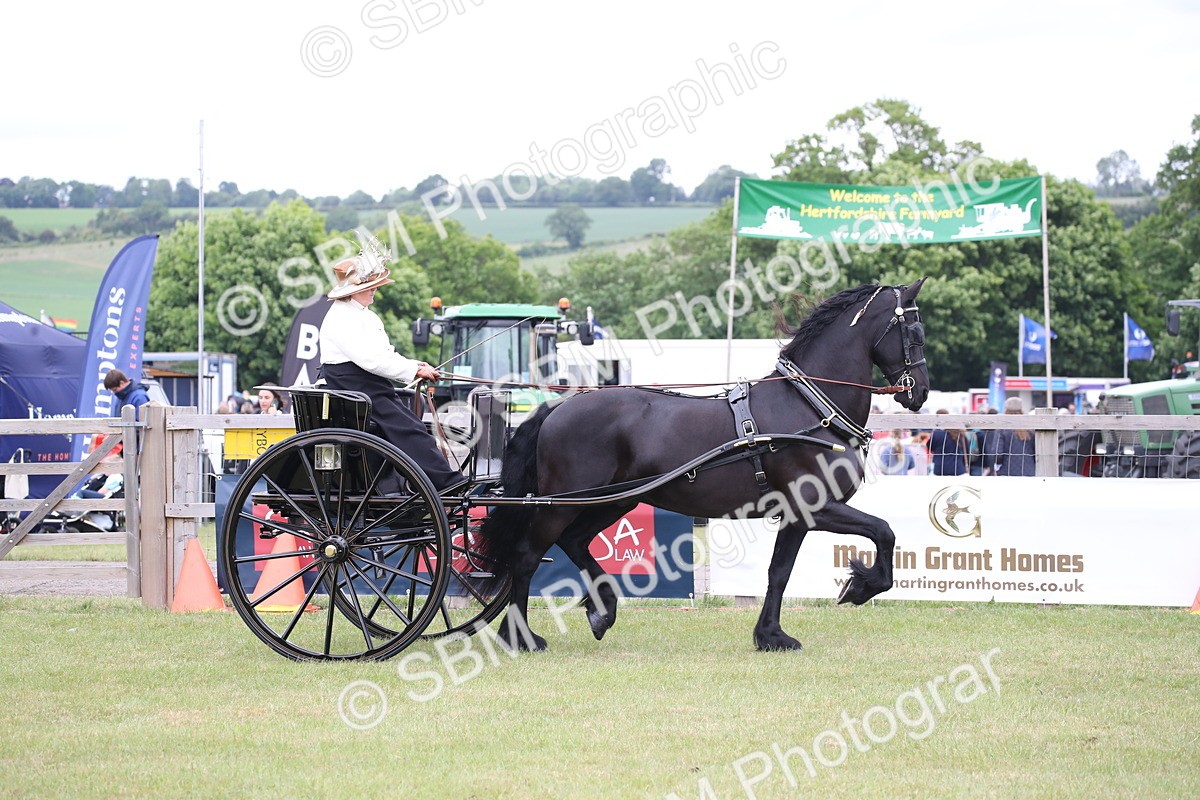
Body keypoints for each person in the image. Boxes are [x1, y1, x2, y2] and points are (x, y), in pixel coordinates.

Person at [318, 248, 464, 493]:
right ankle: (446, 483)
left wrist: (416, 365)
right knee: (410, 428)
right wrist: (412, 370)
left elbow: (385, 354)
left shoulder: (366, 316)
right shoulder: (341, 318)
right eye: (371, 287)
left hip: (368, 384)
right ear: (355, 290)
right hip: (352, 387)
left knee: (413, 424)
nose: (375, 290)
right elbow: (370, 360)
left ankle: (417, 483)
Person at [994, 397, 1037, 476]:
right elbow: (1036, 452)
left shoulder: (1002, 430)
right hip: (1029, 471)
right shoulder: (1030, 429)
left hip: (1008, 471)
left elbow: (998, 452)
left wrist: (997, 465)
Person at [928, 409, 970, 475]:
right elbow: (967, 451)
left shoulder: (936, 433)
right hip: (958, 469)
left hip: (940, 469)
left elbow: (930, 447)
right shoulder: (960, 433)